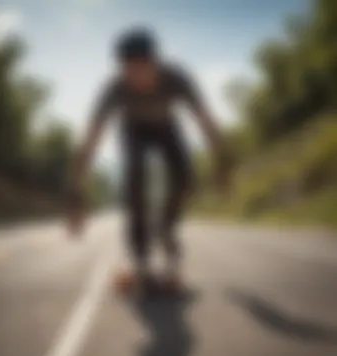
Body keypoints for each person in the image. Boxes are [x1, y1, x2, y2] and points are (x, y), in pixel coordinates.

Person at [67, 27, 233, 293]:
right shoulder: (114, 88)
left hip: (167, 127)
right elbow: (90, 141)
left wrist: (223, 165)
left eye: (141, 69)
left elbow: (206, 121)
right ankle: (141, 258)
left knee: (184, 180)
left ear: (155, 62)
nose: (136, 78)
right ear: (121, 68)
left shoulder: (177, 78)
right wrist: (76, 197)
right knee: (133, 182)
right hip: (133, 131)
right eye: (128, 71)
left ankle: (166, 231)